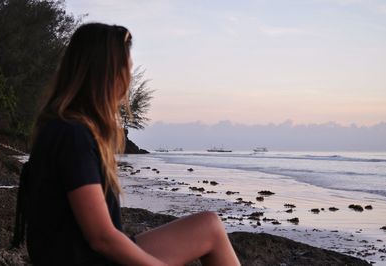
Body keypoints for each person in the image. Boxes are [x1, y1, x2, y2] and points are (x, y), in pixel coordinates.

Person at [12, 23, 240, 266]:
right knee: (210, 228)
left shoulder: (62, 128)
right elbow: (102, 238)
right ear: (107, 74)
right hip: (89, 260)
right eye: (126, 70)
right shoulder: (73, 136)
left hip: (80, 256)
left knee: (209, 225)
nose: (128, 81)